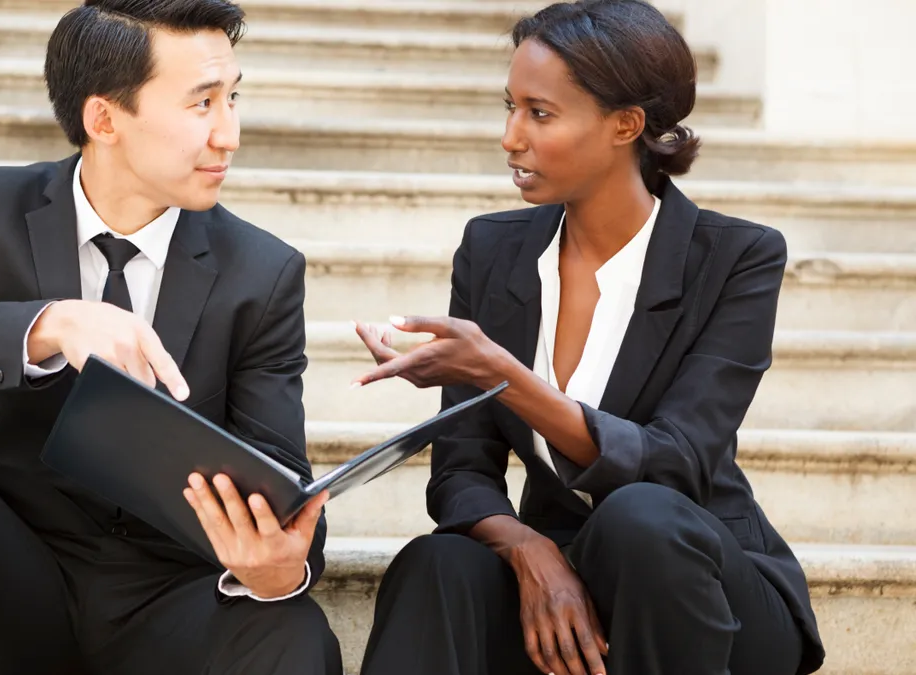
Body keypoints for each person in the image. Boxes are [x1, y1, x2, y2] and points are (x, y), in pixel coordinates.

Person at [0, 1, 341, 673]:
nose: (230, 133)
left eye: (233, 98)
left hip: (173, 599)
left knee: (296, 634)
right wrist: (50, 324)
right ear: (105, 118)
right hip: (15, 574)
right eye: (202, 104)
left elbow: (282, 472)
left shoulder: (264, 272)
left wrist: (281, 563)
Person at [351, 2, 825, 674]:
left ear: (626, 125)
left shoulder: (736, 257)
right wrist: (527, 548)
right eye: (509, 107)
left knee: (641, 518)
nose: (511, 136)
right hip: (559, 588)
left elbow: (674, 462)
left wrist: (502, 373)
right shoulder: (492, 250)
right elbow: (461, 472)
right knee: (438, 560)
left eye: (539, 113)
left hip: (705, 587)